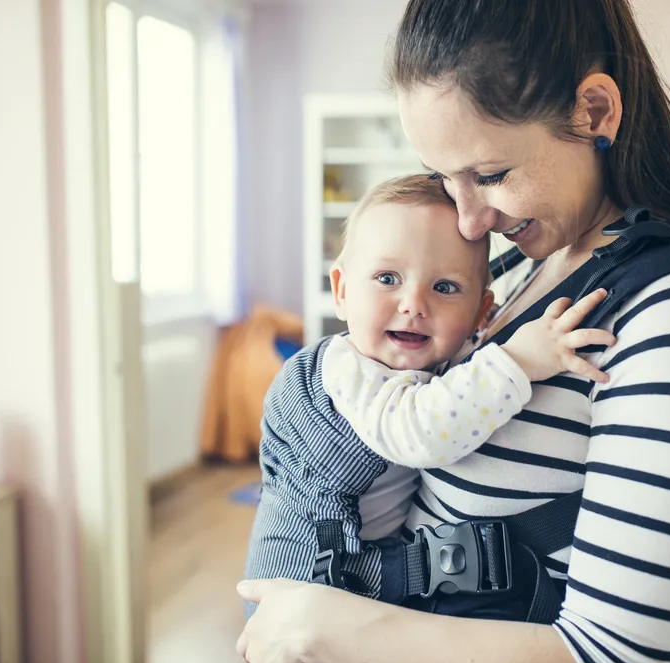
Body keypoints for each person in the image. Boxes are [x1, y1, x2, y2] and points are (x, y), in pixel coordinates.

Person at [235, 1, 670, 663]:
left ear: (595, 112)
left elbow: (619, 655)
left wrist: (338, 629)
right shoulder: (522, 268)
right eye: (443, 178)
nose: (468, 221)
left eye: (489, 176)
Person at [243, 173, 613, 616]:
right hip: (304, 587)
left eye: (444, 287)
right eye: (387, 278)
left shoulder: (434, 361)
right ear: (341, 291)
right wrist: (519, 360)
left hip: (361, 586)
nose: (414, 304)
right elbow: (419, 430)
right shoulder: (347, 369)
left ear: (481, 314)